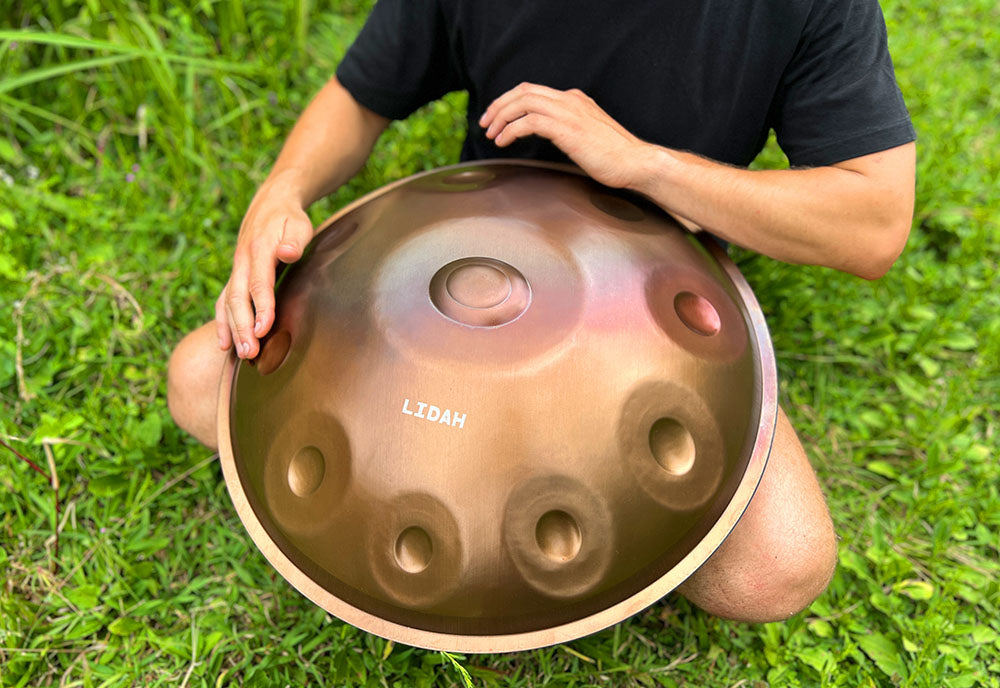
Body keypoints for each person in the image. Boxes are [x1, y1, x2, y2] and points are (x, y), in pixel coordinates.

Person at [167, 0, 916, 623]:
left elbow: (874, 222)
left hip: (646, 293)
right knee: (200, 381)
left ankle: (579, 527)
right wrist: (284, 189)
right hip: (462, 269)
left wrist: (645, 164)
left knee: (778, 567)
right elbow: (359, 100)